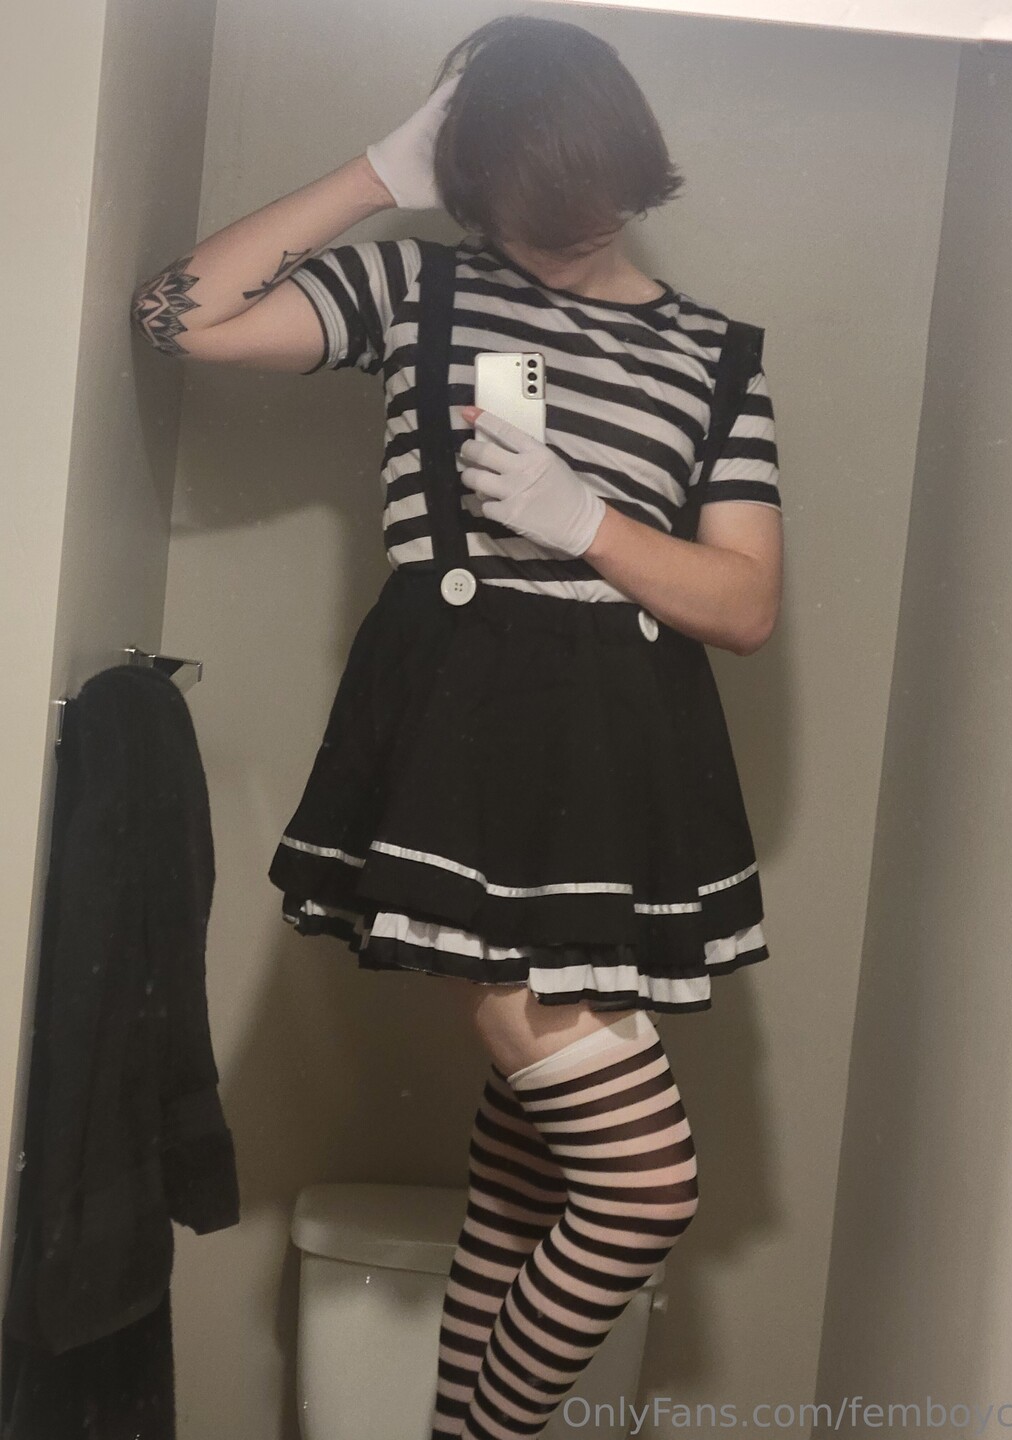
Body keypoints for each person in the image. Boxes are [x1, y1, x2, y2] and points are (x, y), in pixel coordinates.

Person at [130, 15, 783, 1438]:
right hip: (466, 766)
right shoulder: (421, 288)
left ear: (633, 170)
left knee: (533, 1174)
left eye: (580, 212)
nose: (548, 248)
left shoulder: (716, 356)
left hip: (625, 784)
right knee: (641, 1187)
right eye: (517, 217)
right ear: (473, 188)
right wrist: (383, 171)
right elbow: (180, 316)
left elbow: (743, 605)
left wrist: (589, 523)